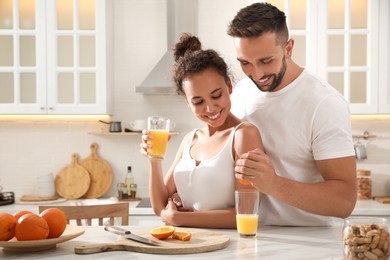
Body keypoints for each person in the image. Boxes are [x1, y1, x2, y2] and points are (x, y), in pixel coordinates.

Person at [227, 3, 357, 226]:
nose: (256, 74)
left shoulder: (324, 104)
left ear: (288, 48)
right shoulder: (240, 93)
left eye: (266, 61)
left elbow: (345, 201)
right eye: (245, 63)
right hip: (250, 237)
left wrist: (274, 184)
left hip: (310, 244)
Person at [140, 33, 263, 228]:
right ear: (187, 102)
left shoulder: (243, 135)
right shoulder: (191, 139)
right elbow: (160, 207)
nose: (210, 108)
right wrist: (154, 159)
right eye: (198, 102)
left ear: (229, 87)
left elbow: (247, 212)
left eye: (216, 95)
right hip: (187, 245)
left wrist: (180, 218)